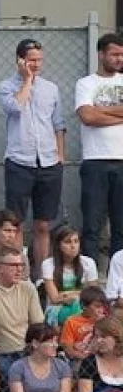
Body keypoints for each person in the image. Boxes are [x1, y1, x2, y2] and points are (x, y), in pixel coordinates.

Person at [0, 38, 66, 279]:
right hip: (19, 162)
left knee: (43, 224)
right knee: (15, 224)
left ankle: (41, 276)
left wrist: (60, 155)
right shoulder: (7, 86)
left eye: (39, 60)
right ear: (20, 60)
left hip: (48, 163)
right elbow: (15, 107)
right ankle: (18, 273)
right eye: (31, 60)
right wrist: (27, 80)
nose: (36, 64)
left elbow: (58, 123)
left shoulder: (51, 88)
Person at [74, 32, 123, 262]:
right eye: (114, 54)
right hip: (95, 161)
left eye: (122, 55)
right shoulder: (86, 84)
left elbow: (94, 113)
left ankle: (117, 280)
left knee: (120, 225)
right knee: (92, 225)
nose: (119, 59)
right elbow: (87, 116)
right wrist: (119, 113)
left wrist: (100, 110)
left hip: (122, 160)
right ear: (101, 54)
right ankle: (90, 276)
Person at [0, 247, 44, 371]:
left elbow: (37, 325)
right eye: (13, 265)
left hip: (29, 351)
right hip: (4, 354)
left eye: (21, 265)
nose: (19, 270)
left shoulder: (28, 288)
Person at [74, 315, 123, 392]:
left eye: (104, 336)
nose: (99, 340)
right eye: (96, 336)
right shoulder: (90, 362)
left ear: (117, 338)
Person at [42, 225, 98, 327]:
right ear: (58, 245)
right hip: (56, 309)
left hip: (82, 305)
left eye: (76, 241)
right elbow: (54, 298)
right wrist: (80, 294)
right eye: (68, 242)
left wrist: (67, 295)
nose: (73, 246)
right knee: (78, 307)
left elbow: (93, 294)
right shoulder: (48, 264)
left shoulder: (89, 263)